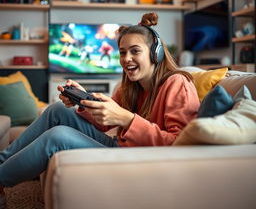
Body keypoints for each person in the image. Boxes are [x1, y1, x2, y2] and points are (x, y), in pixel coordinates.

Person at [0, 12, 200, 207]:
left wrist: (128, 120)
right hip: (121, 146)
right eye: (122, 52)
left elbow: (180, 143)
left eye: (135, 51)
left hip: (138, 158)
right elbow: (105, 123)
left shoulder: (177, 84)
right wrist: (84, 101)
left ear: (155, 53)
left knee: (58, 136)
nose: (126, 58)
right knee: (56, 110)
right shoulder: (130, 88)